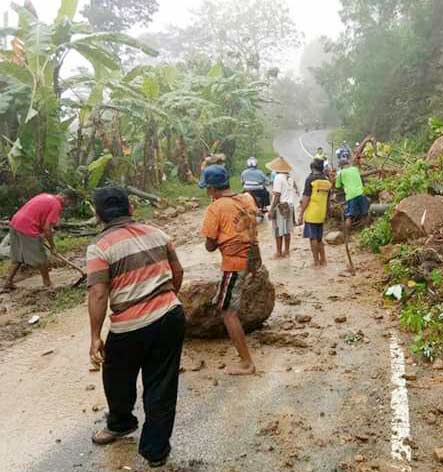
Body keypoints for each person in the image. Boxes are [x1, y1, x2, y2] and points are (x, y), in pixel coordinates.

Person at [86, 187, 185, 469]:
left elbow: (98, 294)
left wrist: (95, 337)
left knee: (117, 378)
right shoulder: (158, 233)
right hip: (170, 316)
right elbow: (178, 272)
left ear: (98, 215)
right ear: (131, 208)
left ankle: (120, 423)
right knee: (161, 384)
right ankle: (155, 451)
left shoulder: (100, 247)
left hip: (129, 325)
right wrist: (167, 298)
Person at [199, 165, 258, 376]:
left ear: (212, 189)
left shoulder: (216, 208)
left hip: (233, 264)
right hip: (251, 260)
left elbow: (209, 245)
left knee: (228, 312)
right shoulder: (247, 199)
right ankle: (244, 357)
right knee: (229, 308)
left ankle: (246, 363)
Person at [4, 191, 73, 290]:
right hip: (27, 227)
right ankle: (48, 284)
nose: (67, 205)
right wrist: (53, 246)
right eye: (69, 203)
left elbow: (38, 217)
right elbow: (47, 228)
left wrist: (41, 233)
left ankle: (8, 281)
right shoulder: (56, 205)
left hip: (15, 223)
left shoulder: (45, 195)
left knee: (18, 257)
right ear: (66, 199)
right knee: (41, 258)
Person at [299, 159, 332, 267]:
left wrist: (301, 213)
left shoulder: (310, 179)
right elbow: (328, 200)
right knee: (319, 238)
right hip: (321, 214)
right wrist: (327, 213)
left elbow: (306, 198)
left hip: (312, 214)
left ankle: (316, 262)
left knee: (312, 238)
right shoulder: (327, 181)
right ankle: (323, 260)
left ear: (312, 168)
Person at [266, 156, 298, 258]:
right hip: (290, 206)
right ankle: (287, 251)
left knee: (278, 230)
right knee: (287, 230)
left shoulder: (278, 178)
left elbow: (277, 196)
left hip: (281, 207)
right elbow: (295, 190)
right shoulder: (290, 178)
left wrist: (271, 210)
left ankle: (279, 252)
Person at [335, 157, 369, 232]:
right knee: (365, 214)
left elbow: (337, 186)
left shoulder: (340, 173)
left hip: (351, 196)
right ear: (348, 164)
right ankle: (366, 231)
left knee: (349, 216)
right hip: (361, 193)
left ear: (341, 166)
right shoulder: (355, 169)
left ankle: (347, 234)